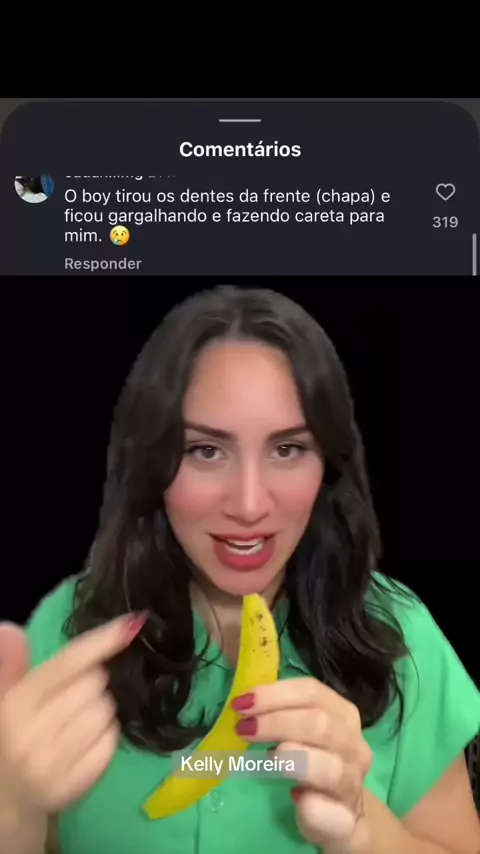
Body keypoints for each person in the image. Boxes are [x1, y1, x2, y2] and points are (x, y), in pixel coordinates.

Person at [0, 285, 479, 854]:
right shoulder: (67, 634)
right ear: (152, 463)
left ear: (328, 465)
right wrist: (11, 803)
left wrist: (364, 830)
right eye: (205, 450)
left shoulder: (401, 636)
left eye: (287, 449)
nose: (249, 505)